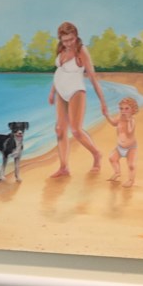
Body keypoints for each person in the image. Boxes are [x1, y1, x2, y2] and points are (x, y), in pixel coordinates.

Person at [47, 21, 109, 178]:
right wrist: (52, 92)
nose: (68, 43)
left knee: (75, 130)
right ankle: (64, 167)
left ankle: (96, 154)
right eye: (64, 40)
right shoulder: (60, 49)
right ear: (60, 39)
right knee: (60, 129)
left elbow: (93, 77)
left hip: (76, 91)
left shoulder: (81, 51)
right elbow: (59, 72)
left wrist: (103, 102)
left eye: (71, 39)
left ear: (76, 36)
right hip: (61, 92)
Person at [105, 96, 139, 187]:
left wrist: (128, 121)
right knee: (112, 158)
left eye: (127, 108)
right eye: (121, 109)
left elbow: (129, 132)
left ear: (132, 110)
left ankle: (131, 180)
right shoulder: (119, 118)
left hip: (131, 148)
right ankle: (117, 172)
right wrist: (107, 115)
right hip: (120, 147)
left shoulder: (132, 120)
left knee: (131, 165)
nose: (123, 111)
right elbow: (113, 123)